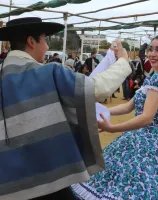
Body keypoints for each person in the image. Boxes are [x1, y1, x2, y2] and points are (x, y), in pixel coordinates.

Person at [0, 17, 132, 200]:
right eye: (45, 40)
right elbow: (96, 89)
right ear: (31, 41)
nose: (46, 47)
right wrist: (124, 61)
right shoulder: (48, 73)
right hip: (46, 177)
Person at [72, 34, 158, 199]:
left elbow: (147, 118)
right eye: (151, 49)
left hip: (148, 140)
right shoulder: (154, 77)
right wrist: (100, 111)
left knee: (137, 183)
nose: (152, 53)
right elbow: (129, 106)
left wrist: (112, 128)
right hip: (144, 137)